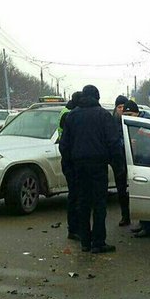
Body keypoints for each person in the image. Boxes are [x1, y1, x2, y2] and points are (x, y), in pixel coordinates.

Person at [59, 85, 123, 254]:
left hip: (78, 167)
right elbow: (114, 142)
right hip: (98, 166)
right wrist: (117, 164)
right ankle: (98, 242)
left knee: (83, 203)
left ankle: (85, 242)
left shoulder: (72, 116)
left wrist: (69, 164)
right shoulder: (103, 115)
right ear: (97, 97)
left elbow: (64, 144)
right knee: (99, 204)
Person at [122, 100, 150, 238]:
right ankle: (144, 223)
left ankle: (149, 228)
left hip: (148, 163)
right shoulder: (133, 123)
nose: (128, 116)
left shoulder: (145, 123)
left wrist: (137, 141)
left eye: (130, 114)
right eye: (126, 114)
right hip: (139, 163)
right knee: (141, 196)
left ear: (137, 113)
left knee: (146, 196)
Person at [58, 91, 82, 240]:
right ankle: (73, 229)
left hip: (68, 159)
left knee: (75, 196)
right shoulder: (70, 115)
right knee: (75, 197)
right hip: (71, 161)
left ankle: (74, 228)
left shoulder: (67, 111)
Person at [111, 95, 131, 226]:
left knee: (137, 189)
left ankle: (142, 218)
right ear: (116, 108)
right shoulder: (112, 122)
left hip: (134, 161)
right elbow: (112, 140)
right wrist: (126, 143)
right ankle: (125, 215)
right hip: (119, 160)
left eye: (123, 107)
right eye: (119, 107)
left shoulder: (133, 119)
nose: (121, 110)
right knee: (121, 190)